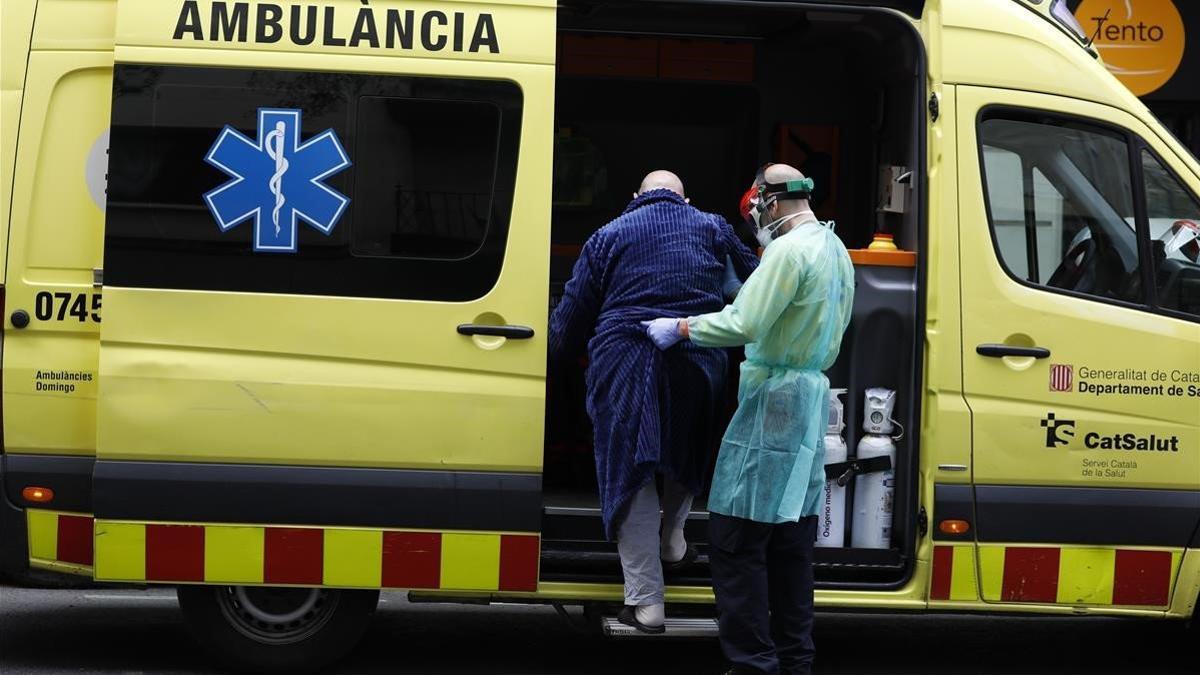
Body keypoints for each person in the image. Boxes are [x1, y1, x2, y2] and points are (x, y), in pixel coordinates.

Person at [644, 164, 855, 673]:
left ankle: (753, 665)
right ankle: (792, 662)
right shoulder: (834, 248)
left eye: (756, 209)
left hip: (773, 405)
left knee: (737, 542)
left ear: (769, 201)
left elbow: (747, 321)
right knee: (791, 549)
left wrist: (681, 327)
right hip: (806, 404)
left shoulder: (786, 250)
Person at [549, 170, 758, 634]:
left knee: (630, 468)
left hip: (625, 359)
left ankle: (646, 605)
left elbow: (571, 318)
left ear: (634, 198)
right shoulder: (712, 225)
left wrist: (552, 356)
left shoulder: (608, 234)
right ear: (687, 200)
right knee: (687, 450)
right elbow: (759, 282)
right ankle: (673, 542)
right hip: (699, 358)